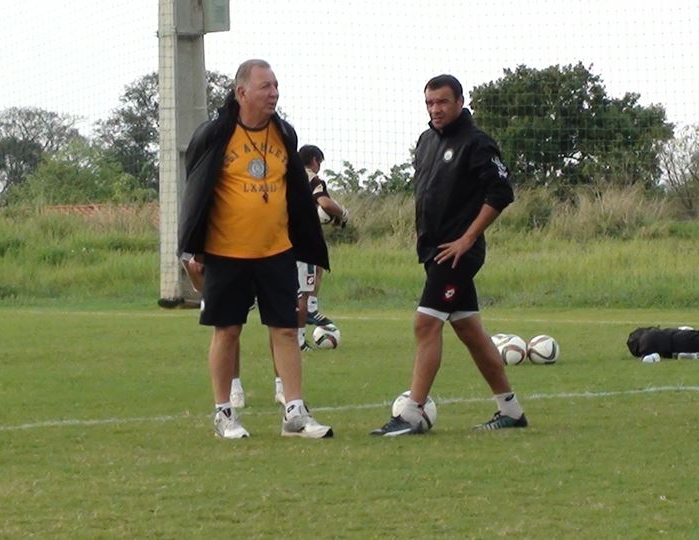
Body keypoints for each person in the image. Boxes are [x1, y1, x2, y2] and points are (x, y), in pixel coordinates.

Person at [178, 59, 334, 439]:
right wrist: (191, 251)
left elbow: (295, 193)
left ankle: (294, 413)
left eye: (276, 86)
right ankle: (224, 414)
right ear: (241, 92)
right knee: (227, 330)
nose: (274, 93)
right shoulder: (214, 134)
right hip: (226, 253)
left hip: (276, 250)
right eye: (266, 86)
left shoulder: (285, 134)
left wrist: (306, 244)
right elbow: (195, 192)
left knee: (285, 328)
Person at [371, 74, 527, 435]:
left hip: (456, 255)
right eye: (429, 103)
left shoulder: (477, 143)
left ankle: (411, 414)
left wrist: (467, 239)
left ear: (459, 101)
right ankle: (512, 410)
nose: (435, 109)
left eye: (442, 102)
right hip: (433, 252)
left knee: (426, 324)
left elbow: (501, 192)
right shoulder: (426, 141)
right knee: (471, 331)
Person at [297, 144, 347, 346]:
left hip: (282, 237)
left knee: (318, 267)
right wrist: (343, 212)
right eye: (320, 162)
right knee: (302, 291)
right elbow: (325, 203)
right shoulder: (312, 179)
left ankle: (311, 307)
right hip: (301, 240)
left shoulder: (288, 175)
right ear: (315, 160)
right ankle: (299, 340)